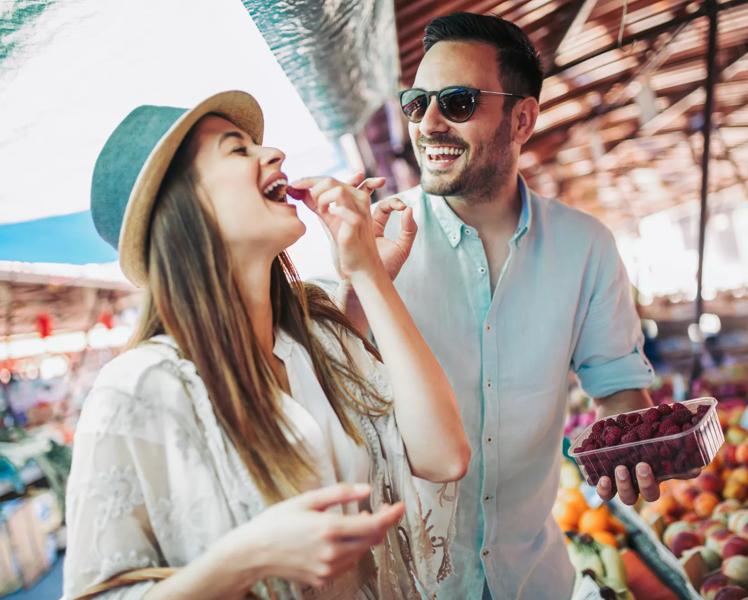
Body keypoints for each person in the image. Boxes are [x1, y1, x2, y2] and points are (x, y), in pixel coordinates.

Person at [62, 90, 470, 600]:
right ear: (184, 209)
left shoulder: (316, 335)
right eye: (238, 150)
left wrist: (368, 273)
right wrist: (246, 558)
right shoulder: (139, 389)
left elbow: (444, 456)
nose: (272, 153)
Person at [338, 13, 657, 600]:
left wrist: (634, 444)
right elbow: (330, 394)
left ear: (523, 118)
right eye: (416, 103)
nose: (428, 124)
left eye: (457, 102)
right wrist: (360, 285)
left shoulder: (585, 247)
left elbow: (617, 388)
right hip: (406, 585)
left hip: (533, 579)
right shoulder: (371, 244)